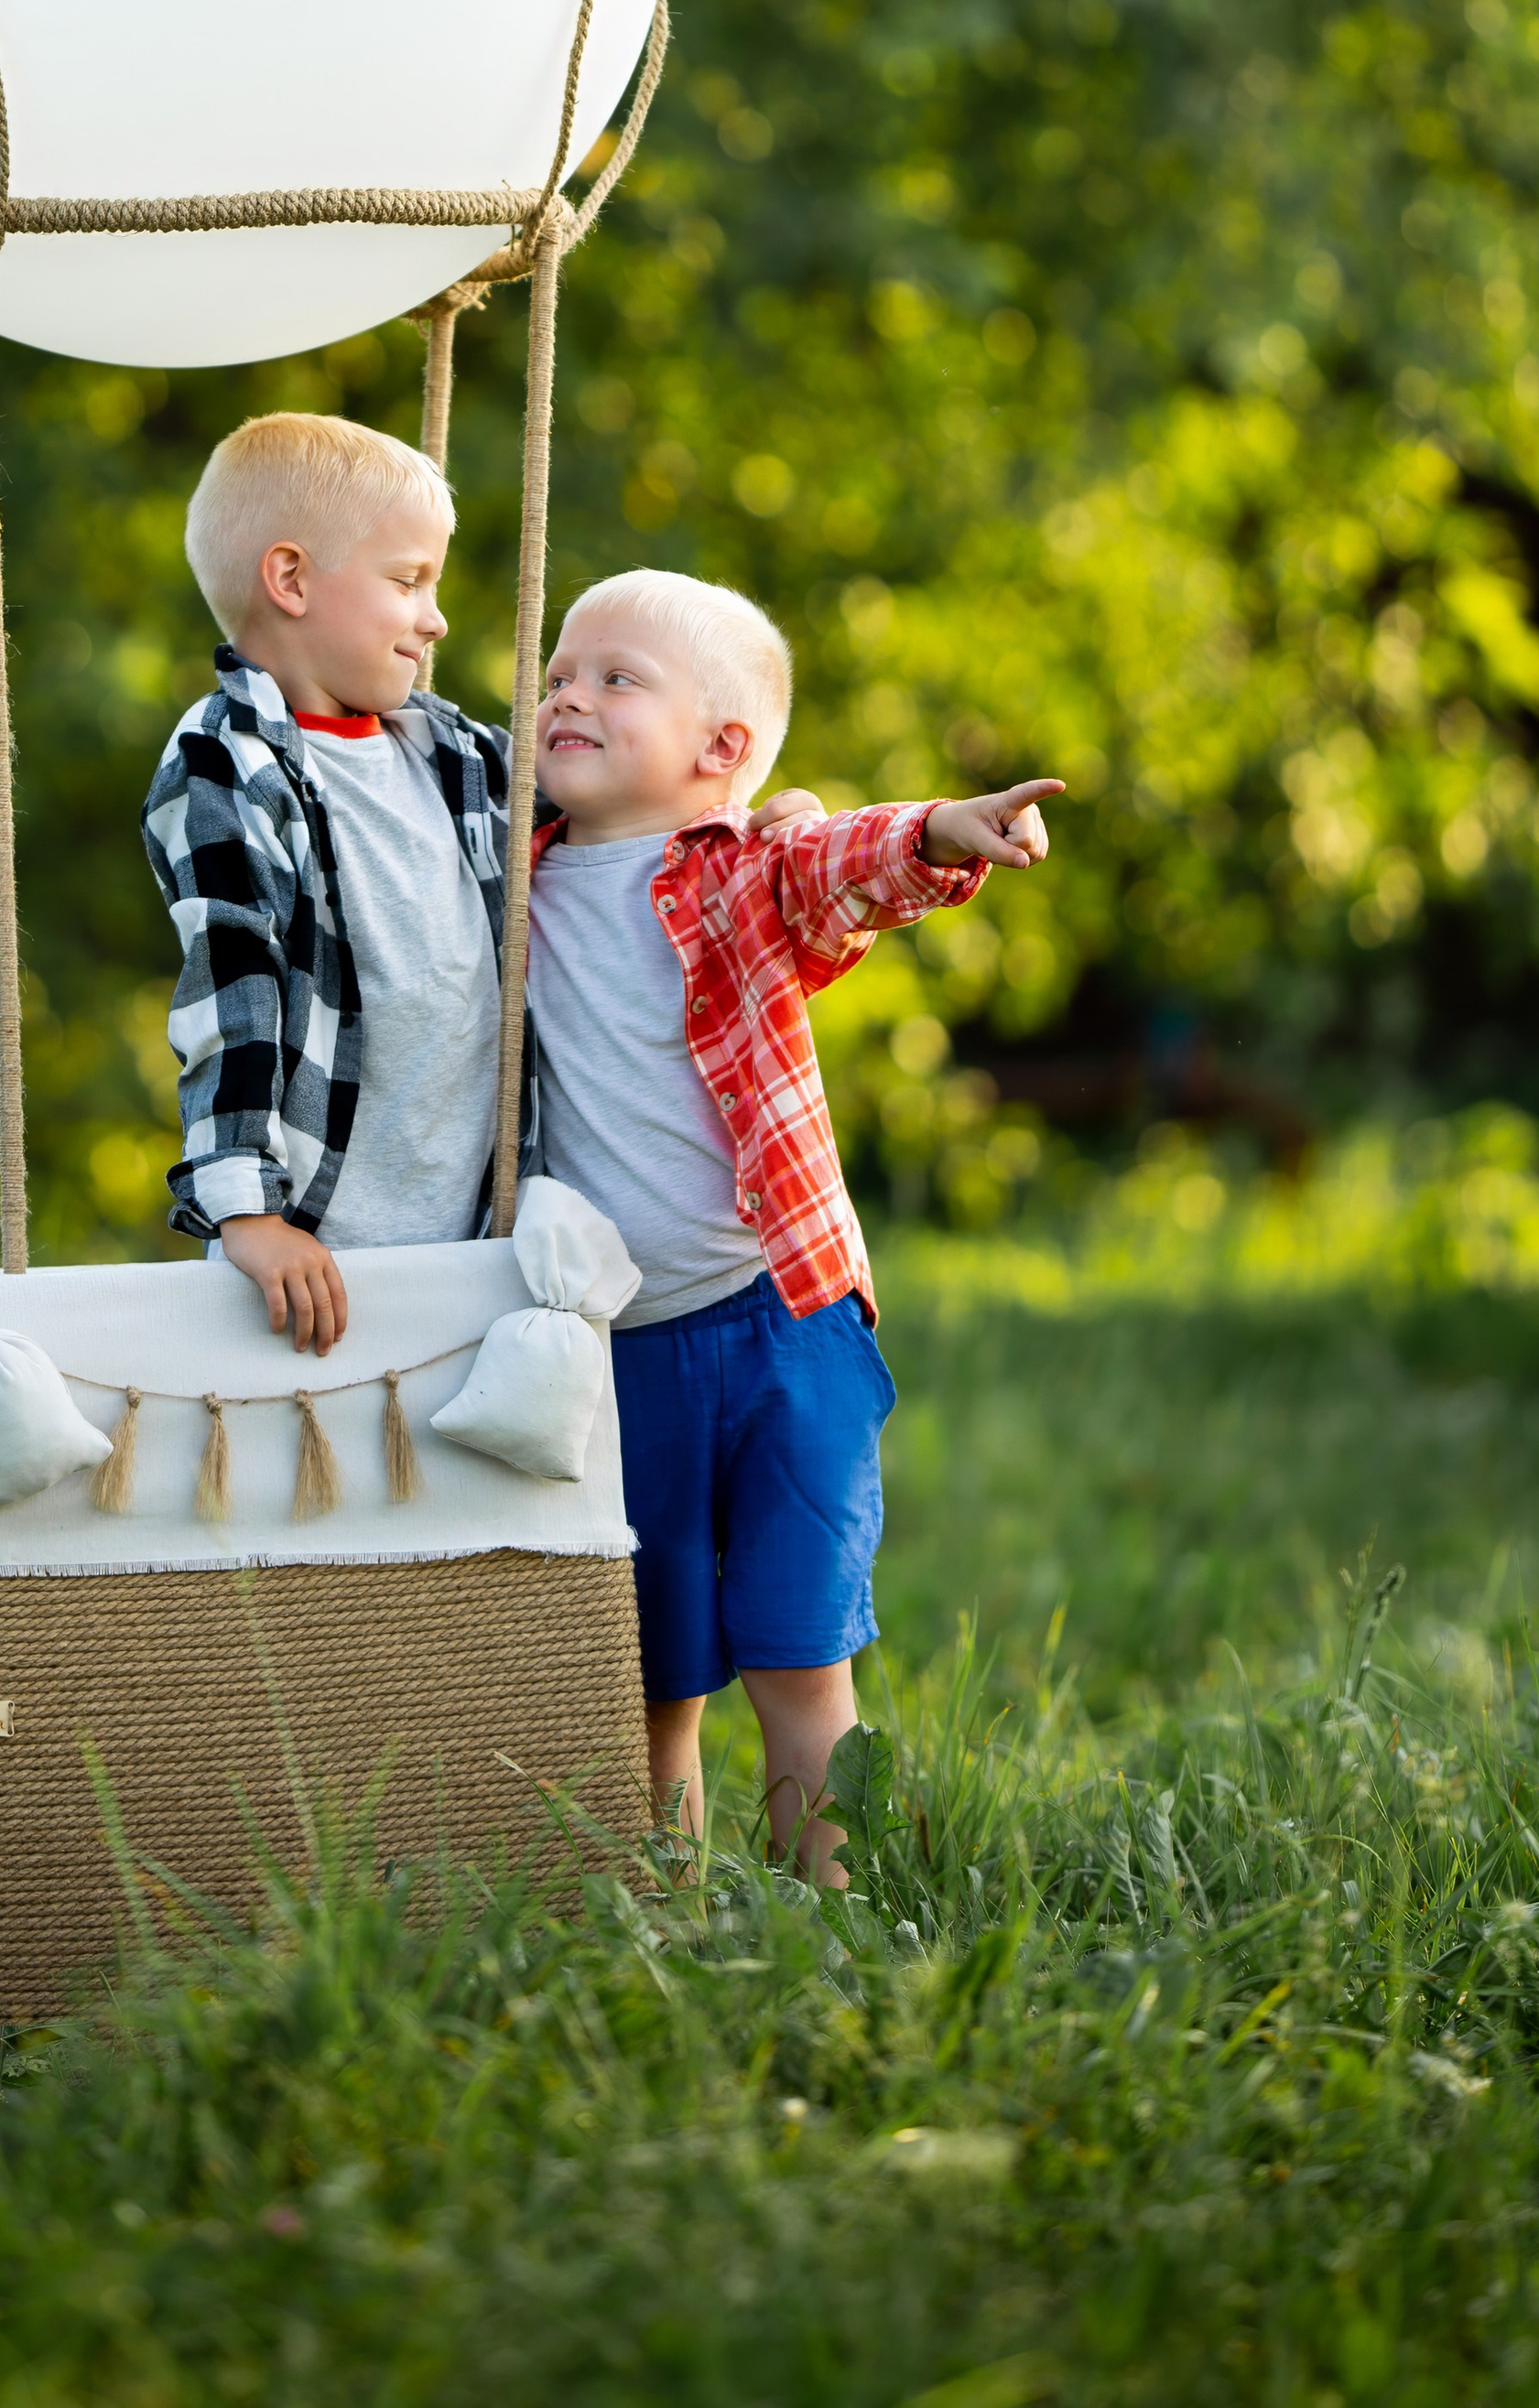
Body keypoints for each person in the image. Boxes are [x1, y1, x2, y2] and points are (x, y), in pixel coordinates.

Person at [526, 566, 1062, 1883]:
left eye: (613, 677)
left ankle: (833, 1908)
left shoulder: (740, 870)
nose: (567, 696)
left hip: (781, 1321)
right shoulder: (509, 876)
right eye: (555, 675)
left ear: (720, 752)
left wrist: (940, 831)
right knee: (647, 1669)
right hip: (621, 1342)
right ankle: (661, 1911)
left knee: (798, 1650)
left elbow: (842, 867)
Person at [144, 415, 828, 1352]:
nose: (435, 618)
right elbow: (234, 983)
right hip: (310, 1240)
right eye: (407, 580)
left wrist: (757, 821)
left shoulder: (451, 754)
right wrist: (245, 1211)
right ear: (291, 580)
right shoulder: (227, 767)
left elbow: (623, 810)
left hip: (475, 1249)